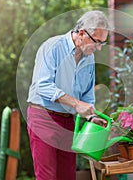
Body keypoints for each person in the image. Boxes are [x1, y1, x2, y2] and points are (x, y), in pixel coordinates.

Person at [26, 10, 109, 180]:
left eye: (103, 43)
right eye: (97, 41)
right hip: (44, 118)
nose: (99, 48)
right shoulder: (52, 47)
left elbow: (87, 94)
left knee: (67, 176)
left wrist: (91, 117)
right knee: (47, 177)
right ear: (81, 33)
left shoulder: (89, 57)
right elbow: (43, 86)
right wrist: (76, 104)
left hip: (68, 121)